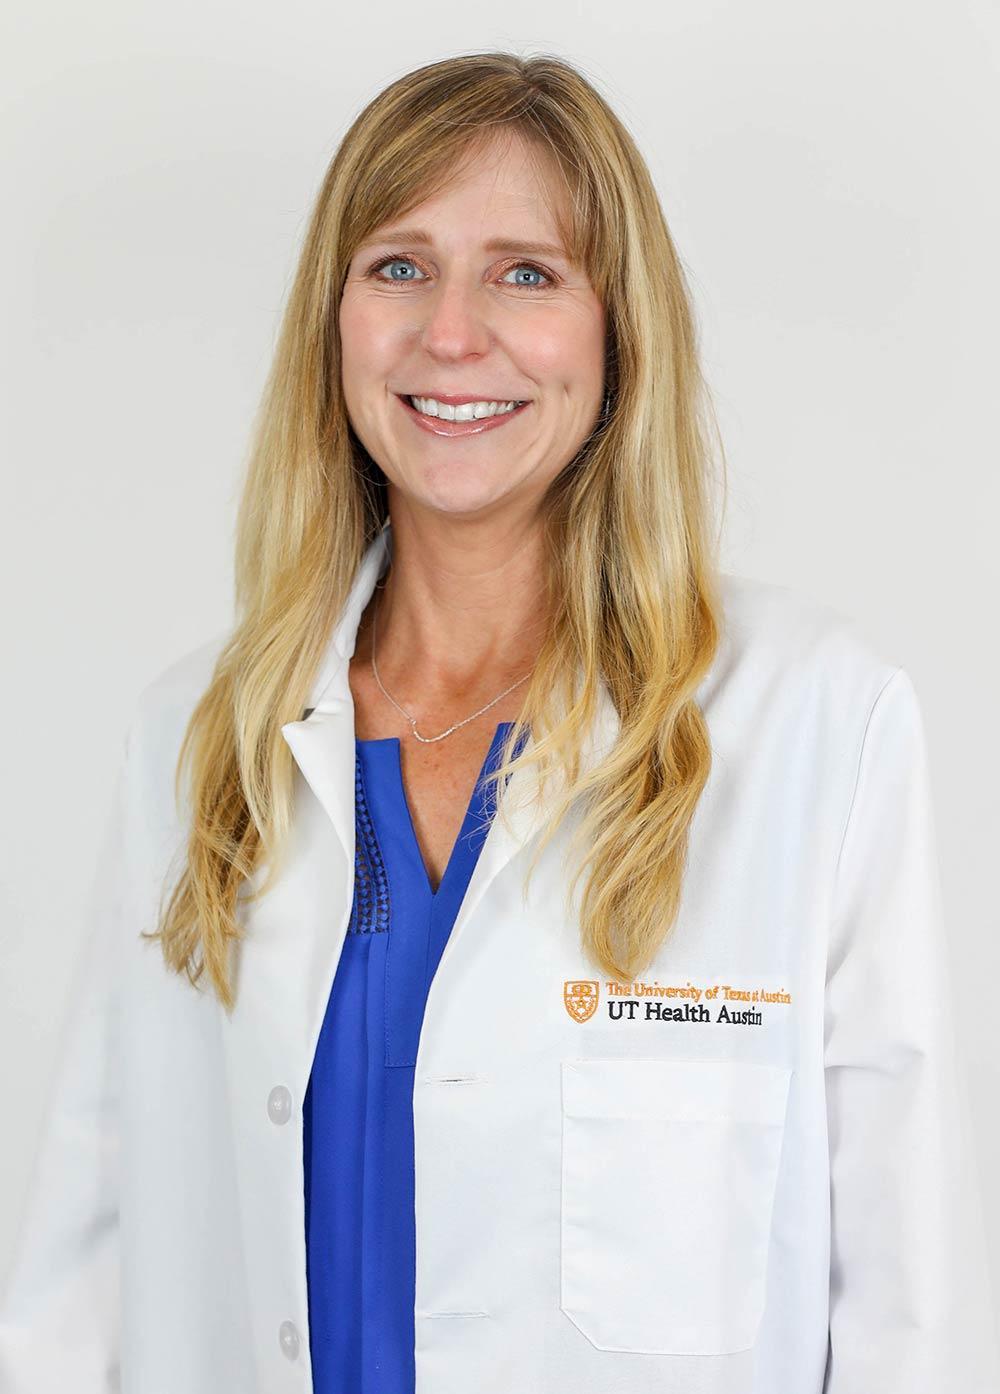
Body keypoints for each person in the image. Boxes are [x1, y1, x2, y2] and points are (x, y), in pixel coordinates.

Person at [1, 49, 998, 1394]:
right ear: (333, 322)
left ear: (617, 333)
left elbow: (908, 1317)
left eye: (526, 273)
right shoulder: (202, 732)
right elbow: (84, 1274)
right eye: (398, 266)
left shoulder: (818, 724)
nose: (452, 334)